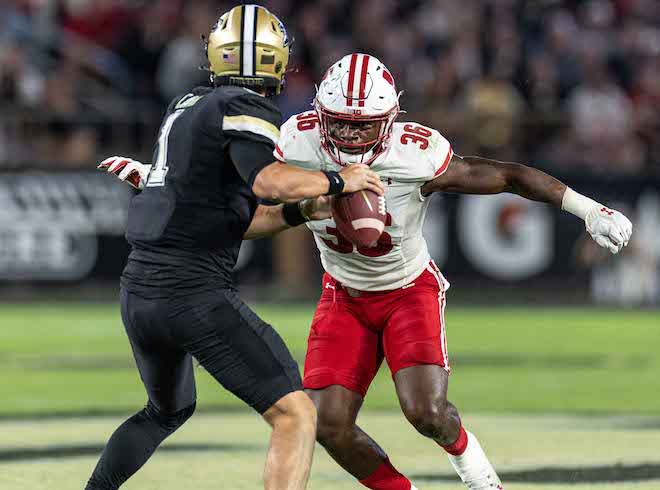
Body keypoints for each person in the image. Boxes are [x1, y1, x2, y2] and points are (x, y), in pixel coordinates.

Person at [104, 53, 632, 490]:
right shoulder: (294, 144)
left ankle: (480, 476)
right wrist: (161, 182)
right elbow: (239, 210)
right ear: (319, 115)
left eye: (364, 127)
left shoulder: (415, 153)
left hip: (408, 290)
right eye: (341, 125)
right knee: (327, 425)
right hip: (343, 295)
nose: (353, 139)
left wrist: (588, 209)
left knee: (426, 412)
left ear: (392, 118)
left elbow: (507, 176)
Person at [86, 8, 383, 490]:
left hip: (140, 291)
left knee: (167, 411)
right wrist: (337, 179)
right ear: (277, 61)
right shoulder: (246, 106)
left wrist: (302, 212)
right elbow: (267, 181)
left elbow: (231, 219)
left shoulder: (187, 103)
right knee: (295, 415)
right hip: (191, 293)